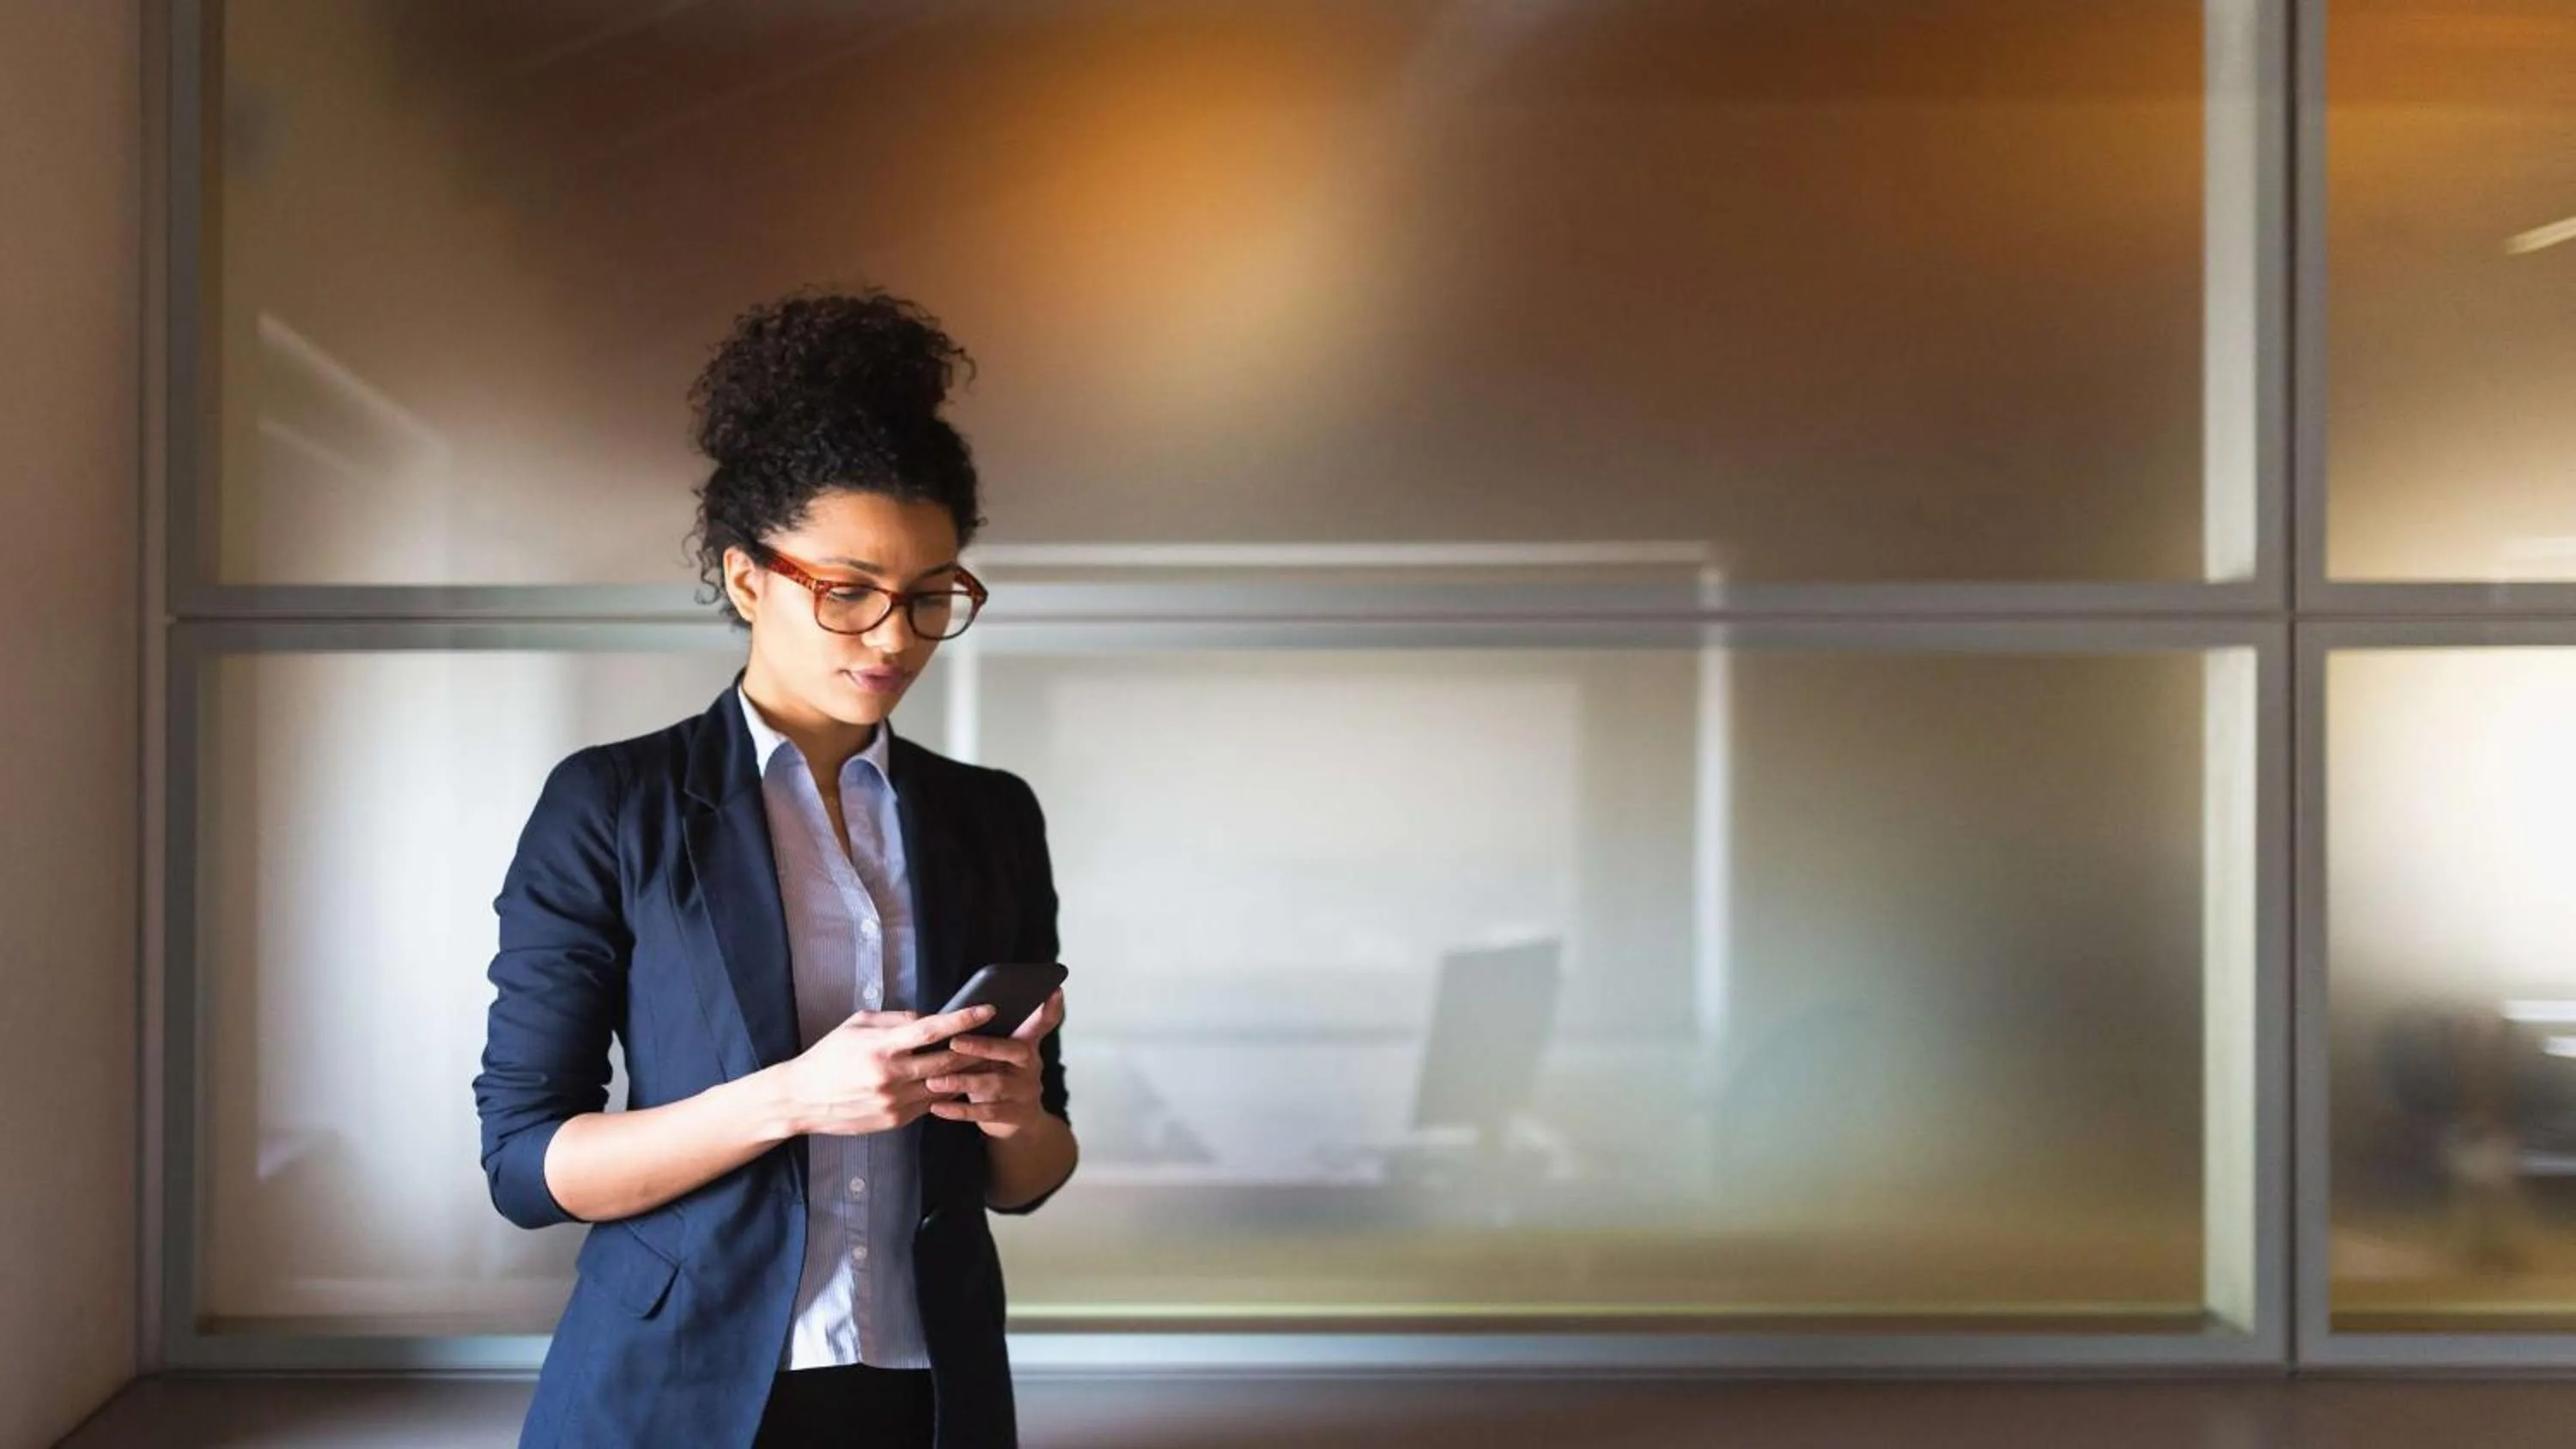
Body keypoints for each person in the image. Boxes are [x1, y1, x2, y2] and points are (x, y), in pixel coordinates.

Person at [474, 288, 1076, 1448]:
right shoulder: (615, 804)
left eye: (931, 595)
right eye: (847, 592)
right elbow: (527, 1166)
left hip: (929, 1391)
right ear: (749, 579)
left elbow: (1030, 1175)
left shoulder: (991, 816)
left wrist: (1012, 1113)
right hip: (671, 1391)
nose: (894, 636)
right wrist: (796, 1097)